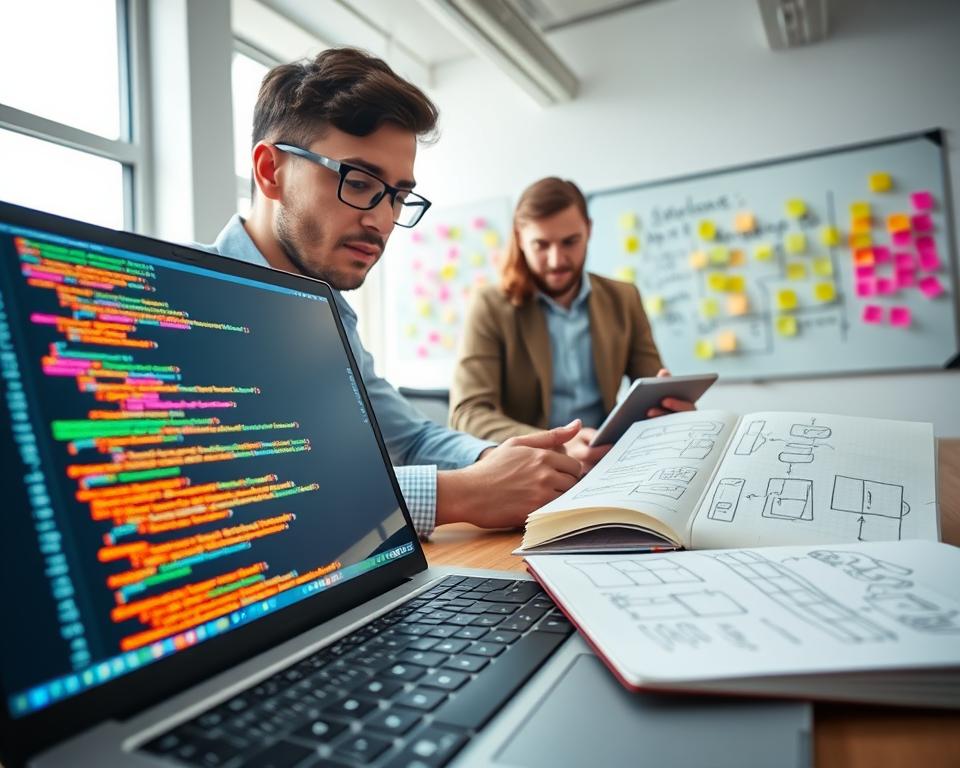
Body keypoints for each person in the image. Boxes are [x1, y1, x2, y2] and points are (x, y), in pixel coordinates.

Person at [207, 48, 583, 539]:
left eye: (398, 196)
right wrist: (460, 493)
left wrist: (504, 462)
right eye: (360, 183)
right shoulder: (179, 296)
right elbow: (235, 494)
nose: (383, 221)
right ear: (269, 171)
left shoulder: (327, 314)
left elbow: (411, 437)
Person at [449, 176, 694, 470]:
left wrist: (669, 409)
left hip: (609, 463)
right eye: (541, 245)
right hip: (529, 471)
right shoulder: (488, 305)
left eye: (570, 242)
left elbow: (651, 386)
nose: (556, 260)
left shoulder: (624, 298)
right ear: (520, 238)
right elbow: (467, 413)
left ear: (588, 230)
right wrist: (555, 443)